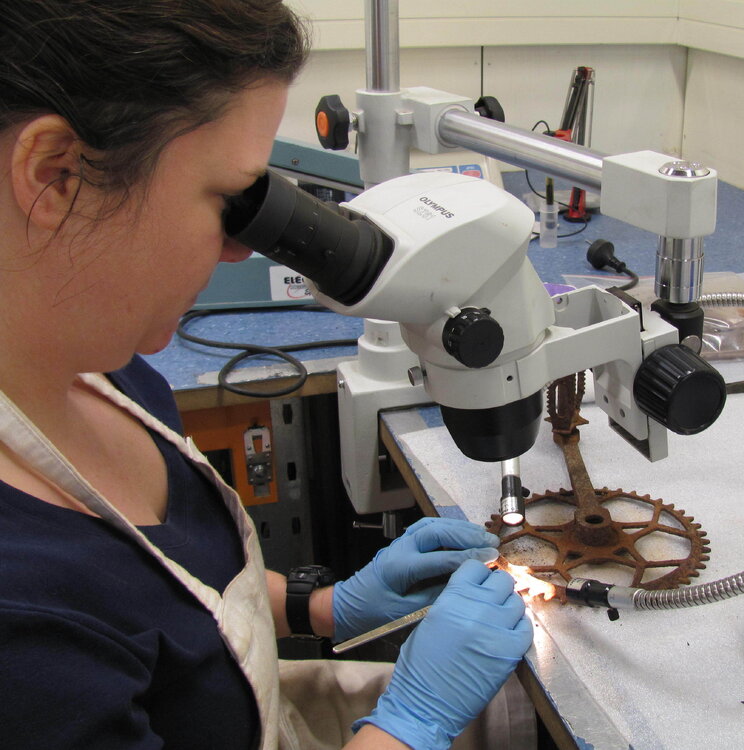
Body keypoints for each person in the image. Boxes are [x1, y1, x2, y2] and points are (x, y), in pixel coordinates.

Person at [0, 2, 533, 748]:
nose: (241, 251)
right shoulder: (21, 627)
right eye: (230, 200)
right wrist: (413, 727)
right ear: (56, 174)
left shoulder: (98, 367)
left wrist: (322, 605)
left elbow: (169, 603)